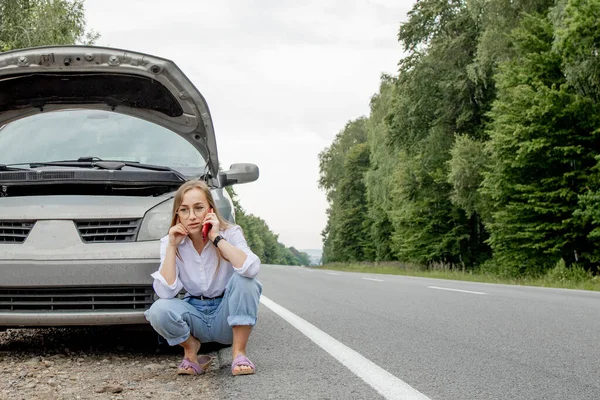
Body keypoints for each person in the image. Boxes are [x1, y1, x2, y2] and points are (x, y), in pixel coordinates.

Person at [144, 180, 262, 376]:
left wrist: (216, 238)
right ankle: (191, 352)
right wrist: (172, 246)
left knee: (245, 280)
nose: (191, 216)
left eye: (198, 208)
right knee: (158, 310)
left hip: (226, 315)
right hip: (194, 314)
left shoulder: (230, 233)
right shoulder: (170, 242)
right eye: (184, 210)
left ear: (210, 209)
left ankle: (239, 353)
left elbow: (251, 269)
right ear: (177, 214)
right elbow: (165, 292)